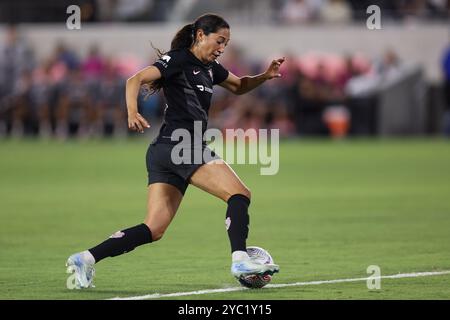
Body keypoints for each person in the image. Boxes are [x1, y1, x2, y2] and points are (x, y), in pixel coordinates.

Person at [66, 13, 284, 289]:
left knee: (153, 228)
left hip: (165, 150)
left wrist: (264, 76)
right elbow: (135, 79)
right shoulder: (178, 59)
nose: (222, 48)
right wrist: (132, 111)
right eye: (219, 40)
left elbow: (239, 86)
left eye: (226, 44)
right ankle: (240, 259)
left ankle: (85, 258)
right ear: (200, 35)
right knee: (240, 194)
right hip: (182, 146)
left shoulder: (211, 68)